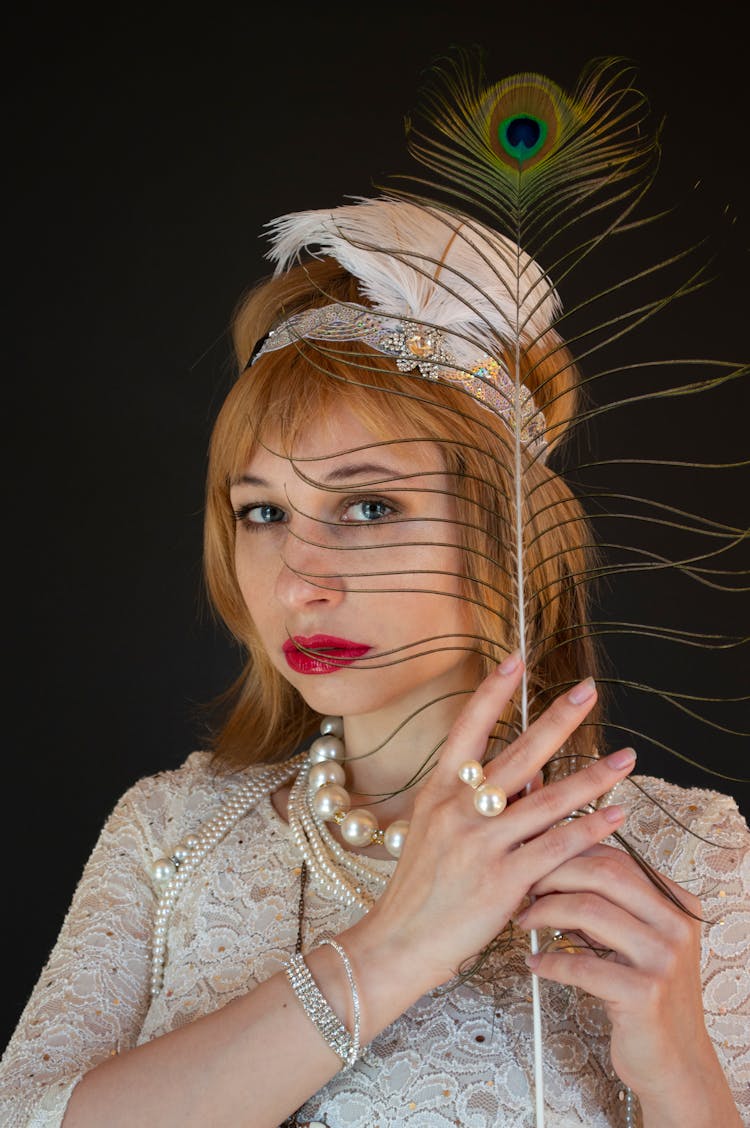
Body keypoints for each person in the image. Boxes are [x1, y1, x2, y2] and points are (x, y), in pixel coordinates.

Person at [1, 57, 748, 1128]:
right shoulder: (167, 836)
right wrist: (392, 950)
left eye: (367, 508)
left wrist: (686, 1079)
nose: (299, 575)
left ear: (507, 542)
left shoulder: (693, 858)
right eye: (262, 511)